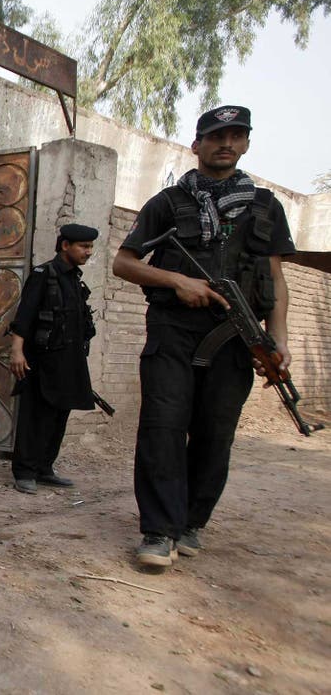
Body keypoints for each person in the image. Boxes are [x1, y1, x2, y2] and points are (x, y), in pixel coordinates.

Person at [112, 105, 296, 569]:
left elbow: (274, 279)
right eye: (216, 136)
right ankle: (157, 530)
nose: (226, 144)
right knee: (162, 428)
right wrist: (178, 282)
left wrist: (278, 338)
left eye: (236, 136)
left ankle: (191, 521)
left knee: (216, 433)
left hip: (236, 335)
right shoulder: (167, 203)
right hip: (173, 332)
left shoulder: (266, 207)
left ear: (247, 144)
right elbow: (124, 262)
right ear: (196, 145)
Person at [8, 224, 99, 494]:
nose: (88, 252)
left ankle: (45, 468)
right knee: (35, 416)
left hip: (69, 360)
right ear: (65, 246)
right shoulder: (43, 274)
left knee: (60, 414)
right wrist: (17, 350)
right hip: (42, 359)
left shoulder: (73, 277)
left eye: (90, 247)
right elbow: (24, 316)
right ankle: (24, 471)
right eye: (83, 246)